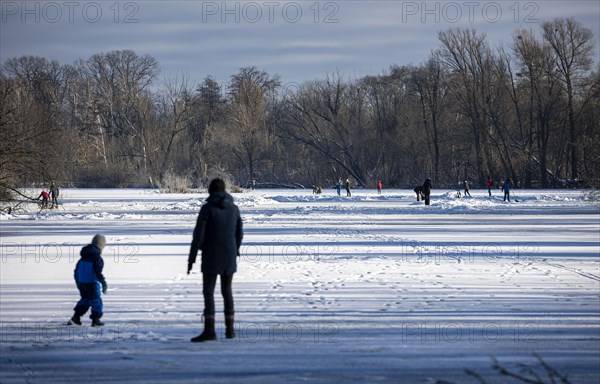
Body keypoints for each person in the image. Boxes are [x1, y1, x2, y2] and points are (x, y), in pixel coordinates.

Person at [188, 178, 243, 342]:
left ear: (210, 191)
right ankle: (230, 330)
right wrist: (235, 249)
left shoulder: (207, 209)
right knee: (227, 291)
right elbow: (239, 233)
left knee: (209, 293)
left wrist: (191, 259)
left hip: (211, 256)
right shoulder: (234, 209)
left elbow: (198, 235)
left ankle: (210, 330)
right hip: (229, 256)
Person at [69, 234, 108, 327]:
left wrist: (79, 283)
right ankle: (96, 320)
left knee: (85, 300)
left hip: (82, 283)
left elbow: (76, 271)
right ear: (101, 246)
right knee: (96, 301)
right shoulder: (97, 258)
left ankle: (76, 318)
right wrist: (103, 282)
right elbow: (97, 272)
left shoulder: (82, 258)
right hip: (92, 284)